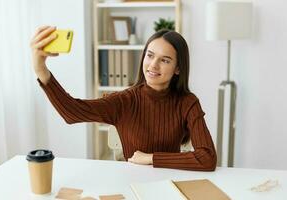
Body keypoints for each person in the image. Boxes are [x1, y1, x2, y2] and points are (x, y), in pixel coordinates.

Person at [31, 26, 217, 171]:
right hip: (131, 183)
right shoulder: (124, 101)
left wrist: (150, 158)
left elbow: (207, 158)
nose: (153, 65)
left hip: (170, 183)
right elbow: (72, 112)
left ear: (178, 68)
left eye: (165, 60)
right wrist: (41, 70)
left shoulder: (188, 102)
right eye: (149, 56)